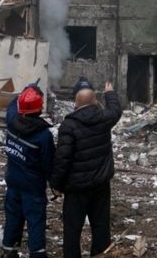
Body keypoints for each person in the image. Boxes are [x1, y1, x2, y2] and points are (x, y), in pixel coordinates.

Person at [50, 78, 122, 258]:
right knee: (101, 226)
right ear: (94, 102)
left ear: (76, 103)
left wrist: (56, 184)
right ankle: (100, 254)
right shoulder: (103, 119)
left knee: (72, 229)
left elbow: (62, 158)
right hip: (100, 185)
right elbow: (115, 111)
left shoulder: (69, 125)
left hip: (76, 188)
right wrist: (110, 93)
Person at [0, 83, 55, 258]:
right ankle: (37, 253)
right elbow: (48, 164)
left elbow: (11, 106)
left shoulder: (11, 121)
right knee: (35, 221)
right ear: (40, 109)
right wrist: (55, 184)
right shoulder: (43, 135)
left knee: (13, 217)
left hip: (13, 180)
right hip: (33, 186)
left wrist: (24, 93)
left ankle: (8, 250)